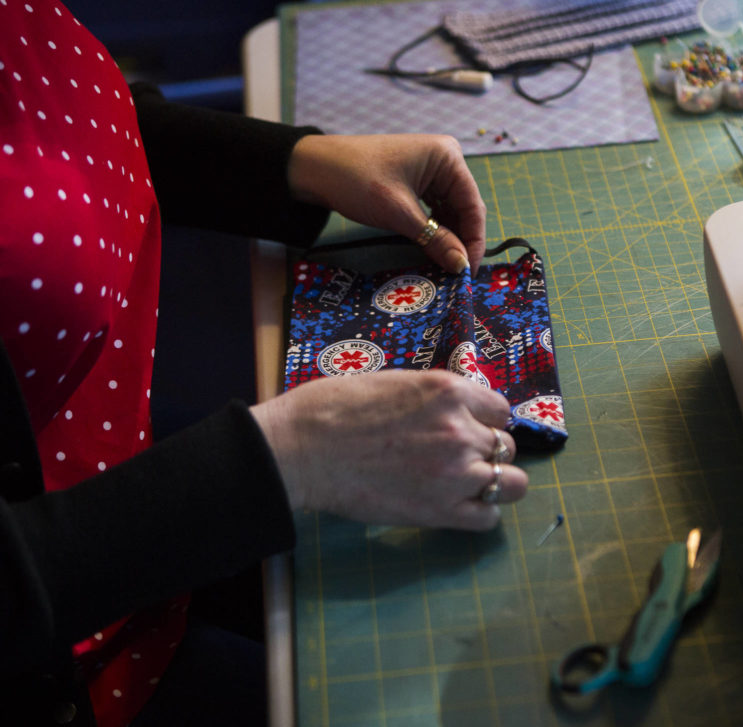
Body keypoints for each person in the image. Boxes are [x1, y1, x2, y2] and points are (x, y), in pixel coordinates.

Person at [0, 2, 528, 725]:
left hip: (124, 509)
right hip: (57, 648)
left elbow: (62, 118)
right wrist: (288, 457)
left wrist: (300, 163)